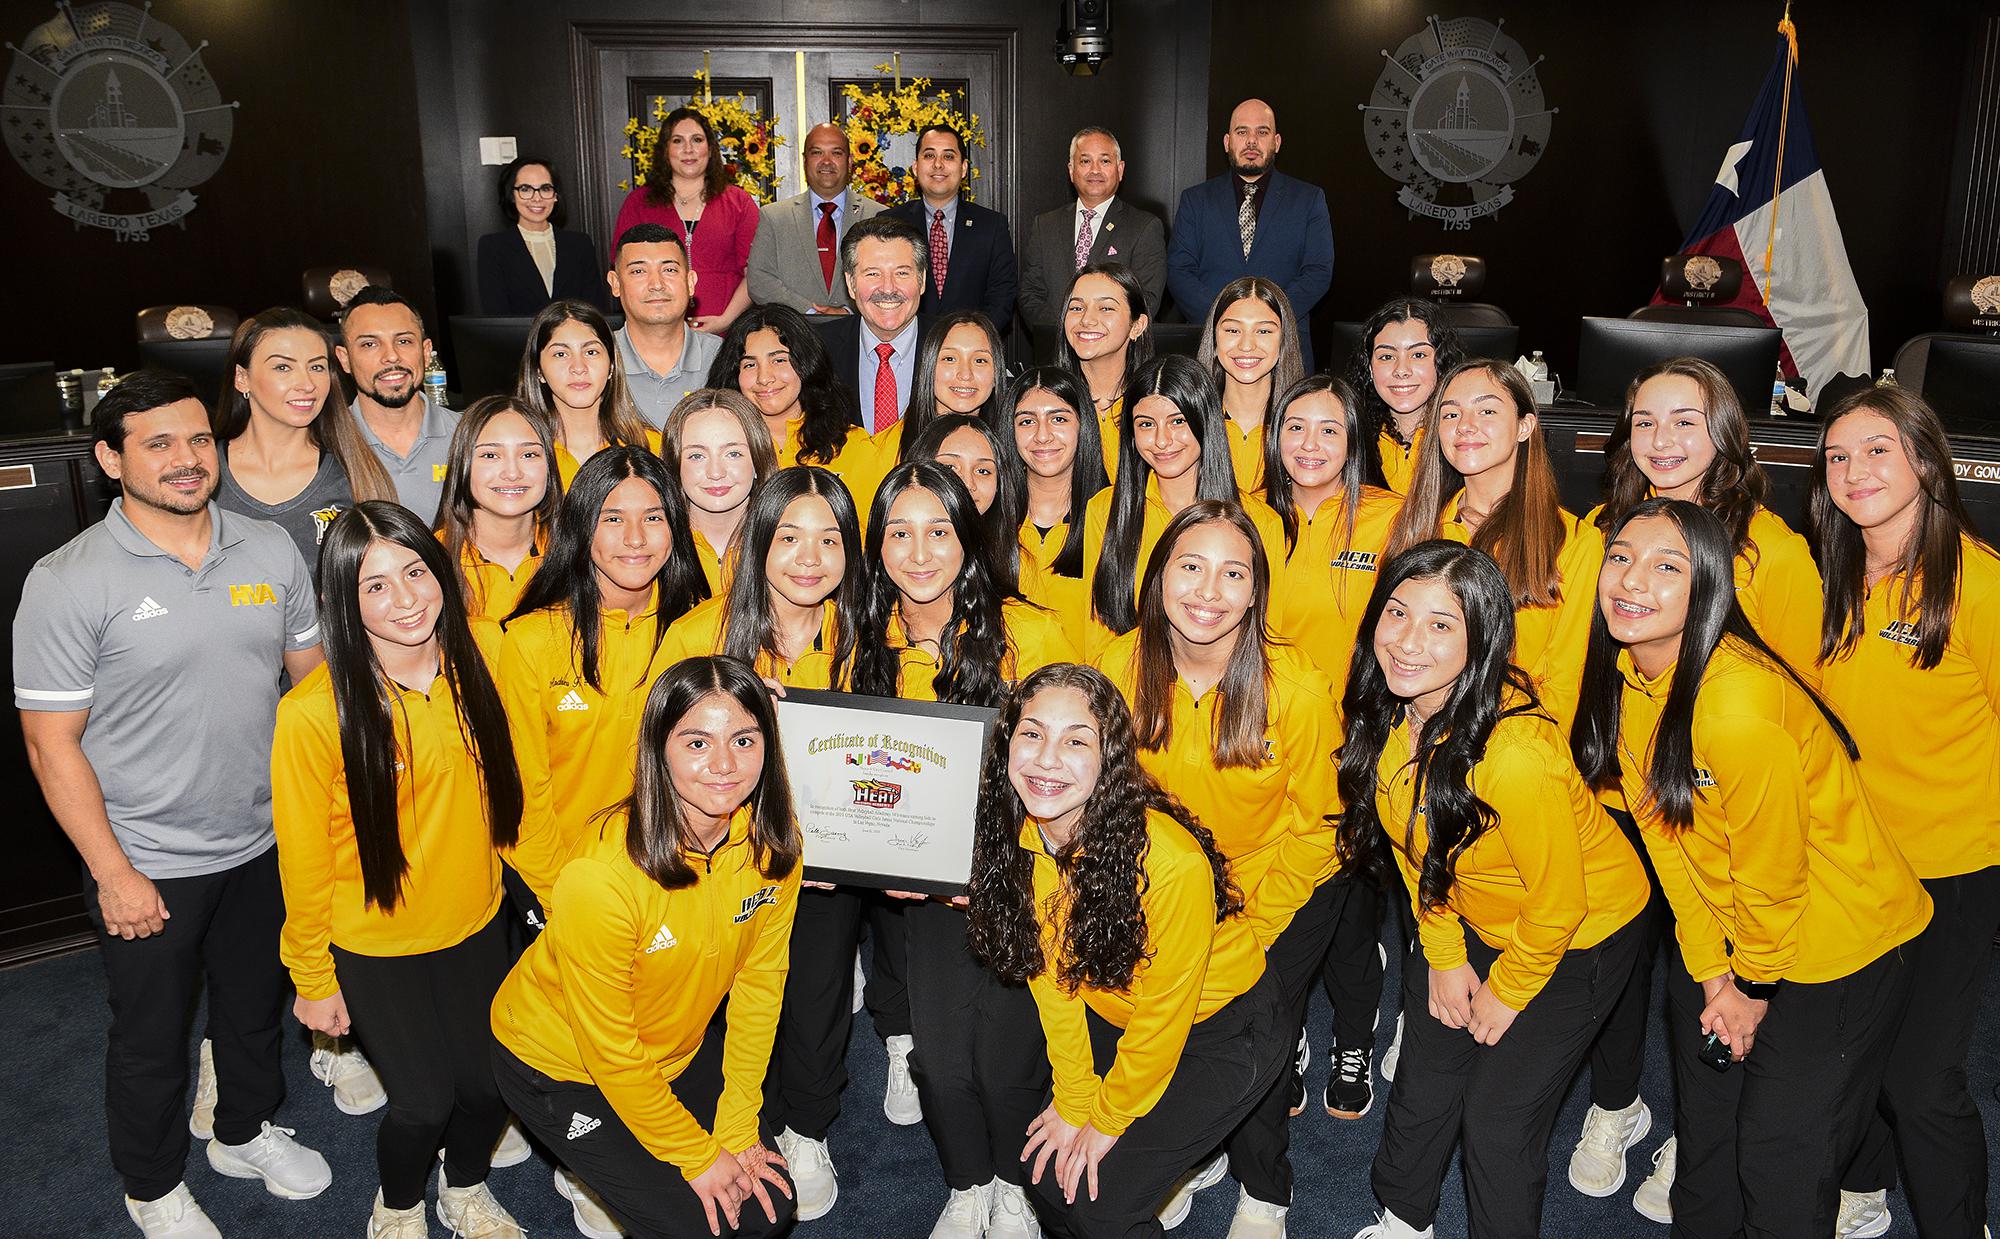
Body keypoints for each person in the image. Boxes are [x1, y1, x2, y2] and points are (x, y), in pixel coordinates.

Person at [15, 370, 330, 1238]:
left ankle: (243, 1129)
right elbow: (51, 743)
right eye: (158, 444)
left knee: (251, 1004)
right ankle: (152, 1185)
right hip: (147, 857)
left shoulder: (268, 550)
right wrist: (113, 872)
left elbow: (314, 693)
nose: (187, 461)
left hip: (264, 839)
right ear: (111, 458)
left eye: (199, 440)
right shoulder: (68, 579)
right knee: (153, 1037)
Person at [1571, 499, 1932, 1238]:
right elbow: (1672, 850)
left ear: (1707, 587)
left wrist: (1752, 987)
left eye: (1667, 566)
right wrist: (1712, 972)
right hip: (1742, 941)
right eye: (1621, 557)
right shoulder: (1624, 677)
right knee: (1707, 1138)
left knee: (1779, 1155)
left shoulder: (1734, 702)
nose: (1632, 580)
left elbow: (1774, 870)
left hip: (1843, 944)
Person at [1543, 358, 1824, 1211]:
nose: (1661, 440)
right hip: (1625, 791)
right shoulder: (1604, 525)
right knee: (1619, 971)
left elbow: (1799, 702)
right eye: (1644, 421)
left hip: (1726, 809)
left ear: (1725, 434)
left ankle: (1699, 1138)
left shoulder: (1771, 550)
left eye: (1684, 421)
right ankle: (1615, 1106)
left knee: (1705, 987)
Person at [1340, 541, 1649, 1239]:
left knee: (1498, 1117)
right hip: (1473, 908)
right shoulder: (1390, 707)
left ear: (1480, 641)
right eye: (1396, 612)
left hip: (1580, 930)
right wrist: (1445, 953)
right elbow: (1411, 839)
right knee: (1424, 1073)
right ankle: (1403, 1216)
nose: (1408, 641)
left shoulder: (1515, 756)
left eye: (1441, 624)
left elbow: (1559, 903)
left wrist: (1506, 989)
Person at [272, 502, 558, 1239]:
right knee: (423, 1102)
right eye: (374, 586)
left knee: (494, 1086)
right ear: (341, 600)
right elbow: (302, 860)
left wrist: (563, 903)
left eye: (414, 571)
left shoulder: (487, 653)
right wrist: (312, 977)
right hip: (374, 945)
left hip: (476, 921)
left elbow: (521, 798)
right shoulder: (313, 713)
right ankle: (397, 1203)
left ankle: (462, 1187)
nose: (405, 598)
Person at [965, 664, 1290, 1239]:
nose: (1046, 759)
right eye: (1032, 733)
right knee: (1045, 1172)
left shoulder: (1169, 863)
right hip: (1122, 1016)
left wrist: (1108, 1118)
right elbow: (1052, 981)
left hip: (1224, 1027)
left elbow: (1167, 1014)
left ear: (1110, 756)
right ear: (1007, 741)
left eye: (1076, 741)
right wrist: (1074, 1099)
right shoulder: (1014, 832)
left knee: (1100, 1205)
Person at [1095, 501, 1343, 1236]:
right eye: (1190, 566)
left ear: (1256, 591)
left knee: (1254, 1031)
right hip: (1161, 889)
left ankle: (1267, 1187)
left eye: (1233, 573)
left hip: (1275, 889)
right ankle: (1178, 1154)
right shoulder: (1114, 665)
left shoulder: (1292, 685)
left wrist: (1256, 920)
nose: (1209, 591)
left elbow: (1323, 827)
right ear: (1159, 577)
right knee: (1154, 1020)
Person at [490, 656, 802, 1239]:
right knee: (697, 1223)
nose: (724, 766)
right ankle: (589, 1166)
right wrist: (698, 1156)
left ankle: (612, 1172)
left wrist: (736, 1129)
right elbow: (610, 1049)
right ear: (658, 748)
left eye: (743, 739)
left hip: (670, 1049)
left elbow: (761, 989)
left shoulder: (773, 849)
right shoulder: (601, 876)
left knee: (767, 1209)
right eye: (696, 742)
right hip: (560, 1066)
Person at [852, 461, 1077, 1239]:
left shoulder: (1032, 631)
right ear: (876, 546)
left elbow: (1072, 761)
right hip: (924, 888)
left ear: (968, 538)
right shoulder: (862, 639)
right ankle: (968, 1181)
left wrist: (1000, 866)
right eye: (899, 533)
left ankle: (1012, 1181)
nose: (919, 552)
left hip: (1022, 877)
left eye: (939, 531)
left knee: (1011, 1058)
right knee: (943, 1062)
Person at [1810, 388, 2000, 1239]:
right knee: (1858, 1053)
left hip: (1954, 867)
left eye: (1878, 450)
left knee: (1921, 1081)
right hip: (1857, 865)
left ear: (1925, 461)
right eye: (1838, 457)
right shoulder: (1834, 573)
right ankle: (1864, 1185)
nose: (1855, 472)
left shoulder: (1979, 582)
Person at [1258, 374, 1403, 1120]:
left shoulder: (1388, 517)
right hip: (1259, 746)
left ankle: (1353, 1036)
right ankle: (1281, 1044)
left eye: (1329, 430)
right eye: (1295, 427)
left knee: (1349, 920)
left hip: (1357, 753)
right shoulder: (1243, 517)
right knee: (1274, 914)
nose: (1310, 444)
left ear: (1354, 442)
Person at [497, 447, 708, 863]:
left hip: (677, 874)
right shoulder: (531, 640)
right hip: (569, 877)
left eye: (653, 517)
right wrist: (560, 893)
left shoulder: (702, 630)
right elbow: (525, 793)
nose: (635, 538)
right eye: (612, 518)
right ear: (582, 527)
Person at [1382, 358, 1594, 677]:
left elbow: (1564, 682)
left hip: (1518, 722)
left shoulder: (1575, 541)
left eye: (1487, 411)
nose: (1465, 425)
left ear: (1524, 427)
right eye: (1451, 413)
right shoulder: (1414, 525)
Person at [1083, 354, 1284, 656]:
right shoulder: (1106, 509)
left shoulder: (1260, 520)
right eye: (1146, 424)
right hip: (1126, 686)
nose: (1162, 440)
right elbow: (1097, 633)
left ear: (1205, 421)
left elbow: (1264, 637)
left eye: (1178, 421)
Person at [214, 307, 396, 572]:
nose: (307, 383)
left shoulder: (354, 470)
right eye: (283, 367)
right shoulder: (205, 473)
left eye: (317, 367)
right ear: (243, 379)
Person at [1166, 99, 1333, 367]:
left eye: (1262, 132)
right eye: (1242, 132)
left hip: (1285, 349)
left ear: (1276, 142)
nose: (1251, 141)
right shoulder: (1196, 200)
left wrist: (1266, 321)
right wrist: (1225, 322)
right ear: (1227, 142)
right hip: (1210, 349)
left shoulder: (1308, 199)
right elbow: (1179, 270)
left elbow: (1318, 272)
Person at [613, 107, 758, 334]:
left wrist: (727, 320)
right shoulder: (639, 203)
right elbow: (624, 271)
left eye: (697, 140)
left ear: (710, 149)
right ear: (665, 150)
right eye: (678, 141)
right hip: (656, 332)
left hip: (727, 332)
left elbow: (756, 273)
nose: (688, 149)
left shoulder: (738, 202)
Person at [709, 304, 875, 497]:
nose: (764, 378)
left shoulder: (854, 447)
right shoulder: (713, 448)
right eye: (750, 364)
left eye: (779, 360)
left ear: (807, 363)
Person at [1017, 126, 1168, 331]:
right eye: (1085, 161)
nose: (1095, 170)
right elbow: (1030, 294)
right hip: (1055, 349)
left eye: (1105, 161)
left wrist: (1097, 333)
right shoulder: (1044, 225)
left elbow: (1146, 300)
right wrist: (1066, 333)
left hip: (1116, 355)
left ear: (1120, 169)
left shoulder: (1144, 227)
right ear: (1071, 170)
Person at [336, 286, 460, 522]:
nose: (391, 356)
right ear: (345, 359)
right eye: (370, 344)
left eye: (403, 341)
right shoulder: (326, 444)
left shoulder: (470, 435)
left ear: (425, 351)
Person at [434, 394, 559, 623]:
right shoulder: (432, 562)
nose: (512, 473)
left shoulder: (574, 551)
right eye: (490, 455)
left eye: (529, 454)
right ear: (463, 464)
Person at [1007, 366, 1108, 648]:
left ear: (1083, 426)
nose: (1042, 435)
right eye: (1027, 421)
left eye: (1059, 419)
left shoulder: (1111, 518)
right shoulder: (990, 522)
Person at [886, 123, 1018, 337]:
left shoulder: (992, 225)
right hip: (905, 346)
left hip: (971, 349)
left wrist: (972, 339)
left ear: (963, 168)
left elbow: (1002, 295)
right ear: (915, 167)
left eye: (948, 157)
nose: (938, 165)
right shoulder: (891, 223)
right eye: (929, 156)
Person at [745, 122, 889, 314]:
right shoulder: (774, 217)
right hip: (793, 335)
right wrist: (809, 311)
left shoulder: (878, 216)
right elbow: (759, 281)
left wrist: (849, 310)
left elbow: (890, 279)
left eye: (836, 153)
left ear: (850, 161)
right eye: (817, 153)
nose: (826, 161)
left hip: (860, 333)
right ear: (805, 161)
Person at [516, 298, 658, 487]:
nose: (578, 367)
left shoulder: (651, 446)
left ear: (611, 366)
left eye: (591, 352)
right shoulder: (519, 456)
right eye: (560, 354)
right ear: (538, 371)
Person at [815, 213, 931, 435]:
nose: (888, 289)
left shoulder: (951, 346)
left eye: (902, 273)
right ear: (850, 283)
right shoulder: (818, 350)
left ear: (922, 280)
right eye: (873, 274)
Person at [605, 222, 723, 429]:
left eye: (669, 269)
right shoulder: (596, 359)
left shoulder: (723, 357)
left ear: (690, 282)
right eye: (638, 271)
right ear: (615, 284)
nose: (657, 284)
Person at [1195, 276, 1307, 490]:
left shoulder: (1305, 432)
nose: (1247, 345)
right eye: (1233, 330)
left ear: (1284, 340)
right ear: (1214, 339)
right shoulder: (1186, 424)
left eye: (1263, 331)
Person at [663, 388, 778, 595]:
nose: (715, 472)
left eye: (733, 454)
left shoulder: (784, 543)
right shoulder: (653, 545)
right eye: (697, 456)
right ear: (675, 464)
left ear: (757, 459)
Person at [911, 412, 1035, 599]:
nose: (968, 483)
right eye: (950, 467)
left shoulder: (1018, 564)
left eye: (983, 471)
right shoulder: (896, 551)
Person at [1349, 300, 1462, 495]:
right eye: (1386, 357)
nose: (1401, 370)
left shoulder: (1464, 437)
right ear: (1369, 368)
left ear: (1441, 362)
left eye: (1418, 355)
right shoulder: (1350, 438)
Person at [477, 155, 607, 315]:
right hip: (517, 339)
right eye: (525, 189)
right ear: (512, 195)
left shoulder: (580, 244)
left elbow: (594, 309)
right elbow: (496, 314)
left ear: (555, 196)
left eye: (545, 189)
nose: (537, 198)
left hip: (574, 339)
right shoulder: (493, 247)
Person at [1056, 263, 1153, 473]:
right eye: (1076, 308)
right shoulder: (1049, 403)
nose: (1087, 320)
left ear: (1137, 326)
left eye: (1106, 308)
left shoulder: (1156, 406)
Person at [883, 310, 1008, 466]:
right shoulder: (887, 448)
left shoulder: (1014, 449)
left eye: (980, 360)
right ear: (929, 366)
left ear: (997, 373)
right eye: (950, 359)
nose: (965, 374)